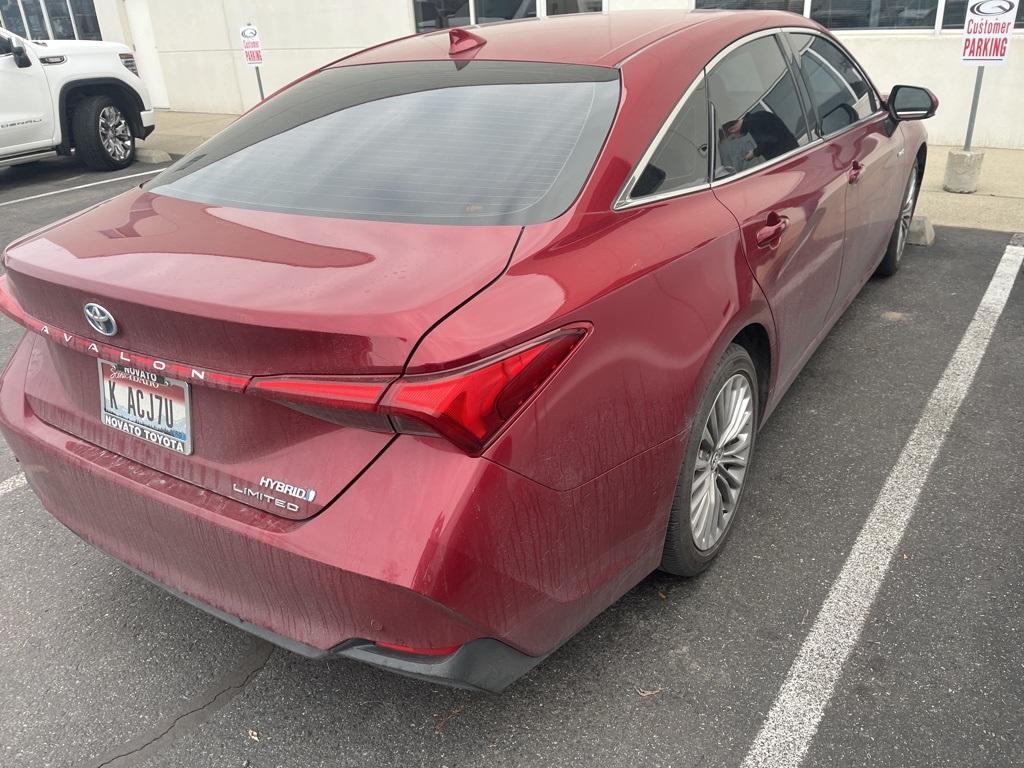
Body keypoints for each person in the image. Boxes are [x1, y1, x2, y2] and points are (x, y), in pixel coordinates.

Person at [723, 109, 799, 162]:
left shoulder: (753, 123)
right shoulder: (757, 116)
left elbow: (768, 142)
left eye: (733, 138)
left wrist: (754, 153)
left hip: (788, 157)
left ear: (732, 129)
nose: (737, 138)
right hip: (791, 152)